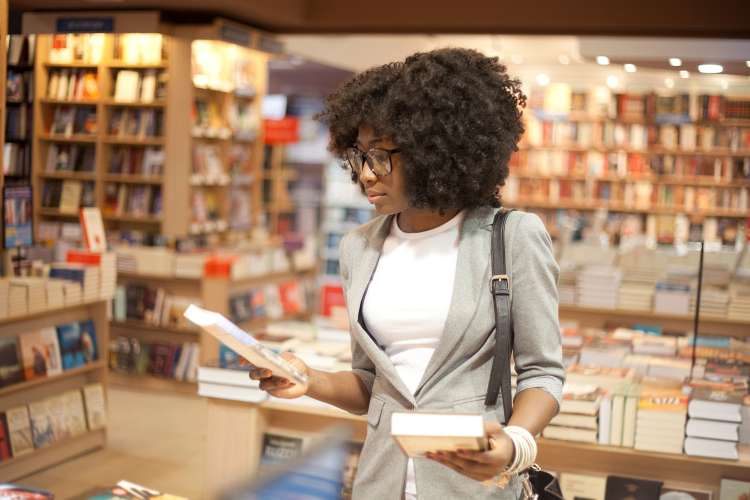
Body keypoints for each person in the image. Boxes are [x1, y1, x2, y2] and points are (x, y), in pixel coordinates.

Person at [250, 48, 565, 499]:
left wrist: (516, 443)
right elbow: (370, 383)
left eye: (380, 157)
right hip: (381, 481)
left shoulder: (510, 236)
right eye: (358, 157)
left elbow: (542, 372)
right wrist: (308, 379)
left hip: (473, 485)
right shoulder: (359, 247)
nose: (364, 175)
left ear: (434, 151)